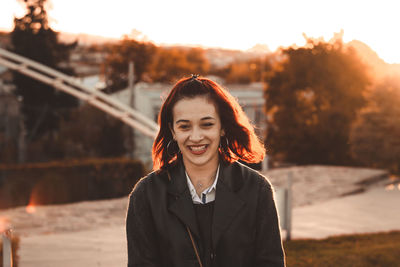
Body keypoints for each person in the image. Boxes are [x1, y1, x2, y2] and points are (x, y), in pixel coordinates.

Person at [126, 75, 285, 267]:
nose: (196, 136)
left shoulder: (257, 190)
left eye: (207, 124)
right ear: (173, 131)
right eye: (184, 126)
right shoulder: (146, 195)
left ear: (222, 127)